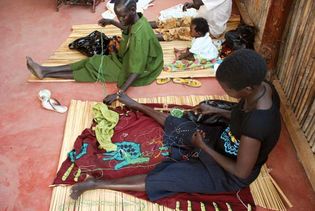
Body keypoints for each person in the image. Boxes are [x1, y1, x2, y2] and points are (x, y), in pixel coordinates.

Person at [69, 49, 281, 201]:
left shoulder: (258, 125)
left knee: (169, 179)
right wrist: (217, 111)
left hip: (228, 171)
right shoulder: (262, 87)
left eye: (228, 90)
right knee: (179, 125)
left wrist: (203, 147)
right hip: (225, 139)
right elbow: (240, 116)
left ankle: (96, 183)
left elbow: (240, 172)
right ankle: (136, 105)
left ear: (246, 89)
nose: (226, 93)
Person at [26, 0, 163, 104]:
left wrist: (118, 94)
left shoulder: (139, 38)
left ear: (133, 10)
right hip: (129, 59)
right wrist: (111, 22)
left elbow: (136, 71)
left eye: (122, 17)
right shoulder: (138, 19)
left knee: (93, 68)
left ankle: (45, 72)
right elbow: (128, 27)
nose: (120, 20)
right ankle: (45, 70)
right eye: (117, 17)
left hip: (143, 69)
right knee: (92, 60)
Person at [152, 0, 232, 41]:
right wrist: (192, 5)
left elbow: (198, 3)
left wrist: (195, 4)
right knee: (175, 21)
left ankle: (148, 38)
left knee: (178, 31)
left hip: (210, 30)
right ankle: (143, 24)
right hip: (202, 20)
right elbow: (199, 4)